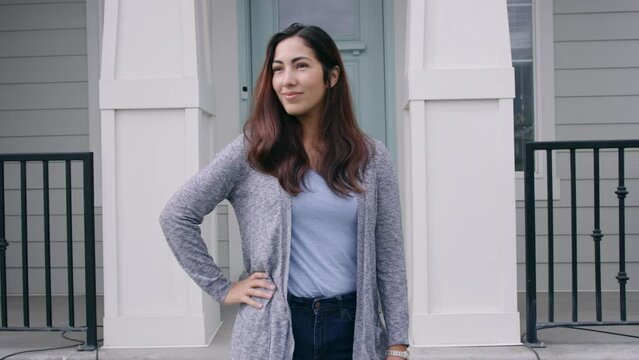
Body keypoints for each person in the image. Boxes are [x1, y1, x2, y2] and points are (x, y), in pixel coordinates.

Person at [159, 23, 409, 360]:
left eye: (301, 65)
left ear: (331, 76)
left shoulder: (372, 157)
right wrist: (221, 288)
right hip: (276, 328)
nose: (286, 79)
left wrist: (397, 343)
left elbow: (389, 254)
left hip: (352, 329)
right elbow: (177, 215)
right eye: (278, 69)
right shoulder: (253, 152)